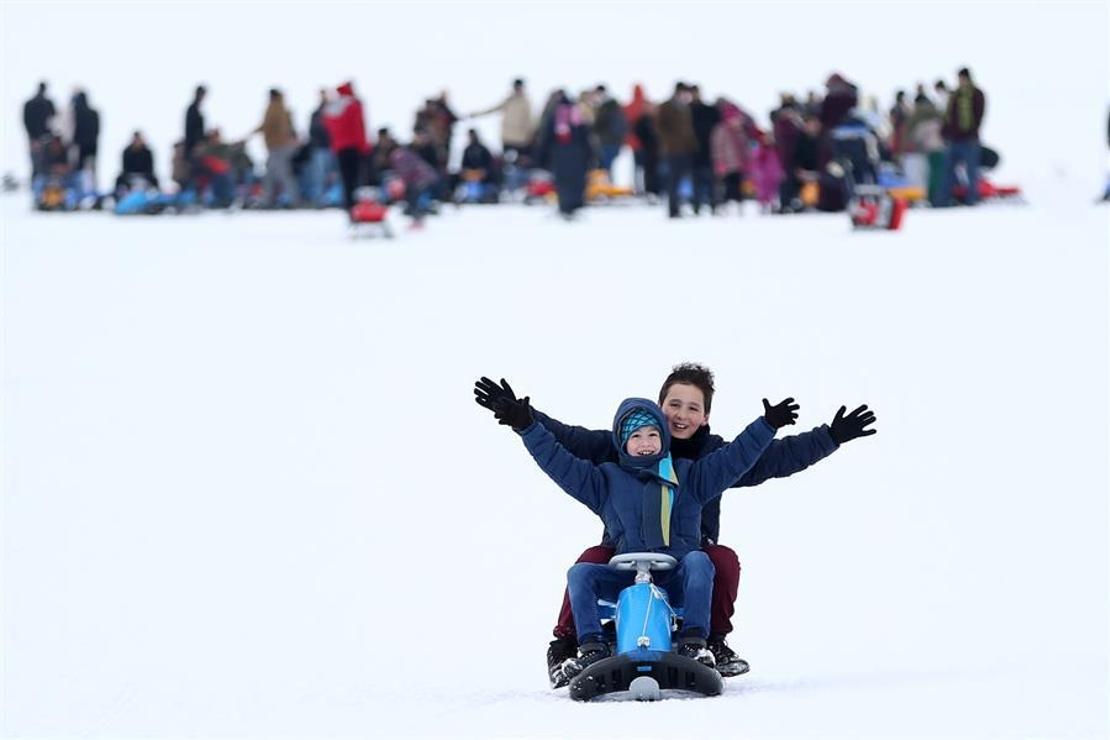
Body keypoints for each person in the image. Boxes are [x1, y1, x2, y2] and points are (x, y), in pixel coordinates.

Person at [474, 363, 878, 685]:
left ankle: (706, 641)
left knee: (716, 559)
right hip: (625, 550)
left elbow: (763, 457)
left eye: (693, 408)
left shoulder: (703, 465)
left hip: (685, 554)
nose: (680, 415)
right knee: (588, 562)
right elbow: (561, 445)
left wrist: (828, 436)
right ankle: (576, 645)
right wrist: (522, 418)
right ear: (656, 406)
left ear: (705, 417)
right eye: (674, 405)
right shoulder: (614, 451)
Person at [535, 91, 592, 219]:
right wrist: (590, 155)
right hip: (577, 153)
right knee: (576, 181)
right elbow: (586, 136)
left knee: (562, 181)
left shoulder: (554, 115)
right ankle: (574, 205)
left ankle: (564, 206)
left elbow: (546, 137)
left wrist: (540, 156)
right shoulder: (577, 114)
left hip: (559, 153)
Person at [938, 67, 986, 206]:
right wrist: (945, 133)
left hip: (969, 140)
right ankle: (944, 199)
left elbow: (978, 115)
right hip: (954, 140)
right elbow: (948, 116)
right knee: (947, 171)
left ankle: (972, 198)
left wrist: (971, 132)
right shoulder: (956, 95)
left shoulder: (976, 94)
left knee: (971, 171)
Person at [323, 81, 371, 217]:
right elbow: (359, 126)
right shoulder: (353, 105)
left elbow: (330, 130)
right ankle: (358, 206)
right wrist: (364, 145)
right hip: (354, 146)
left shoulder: (331, 108)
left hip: (339, 148)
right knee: (357, 178)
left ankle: (348, 204)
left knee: (345, 179)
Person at [251, 88, 300, 207]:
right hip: (278, 146)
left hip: (278, 147)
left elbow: (268, 125)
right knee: (271, 175)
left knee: (281, 174)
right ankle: (267, 200)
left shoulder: (274, 108)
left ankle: (293, 200)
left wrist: (252, 133)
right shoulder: (282, 107)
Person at [656, 83, 698, 218]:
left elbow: (688, 129)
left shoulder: (685, 107)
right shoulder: (666, 106)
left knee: (682, 180)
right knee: (674, 180)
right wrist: (669, 140)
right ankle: (673, 209)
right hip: (672, 150)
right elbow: (659, 126)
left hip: (685, 149)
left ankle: (679, 207)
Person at [470, 78, 534, 163]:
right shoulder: (509, 100)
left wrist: (530, 135)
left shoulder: (526, 102)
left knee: (520, 164)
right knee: (507, 164)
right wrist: (477, 114)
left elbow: (530, 120)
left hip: (521, 140)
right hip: (507, 138)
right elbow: (493, 108)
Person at [688, 85, 721, 215]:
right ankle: (696, 206)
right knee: (695, 181)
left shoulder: (710, 110)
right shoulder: (687, 110)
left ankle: (713, 205)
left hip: (709, 150)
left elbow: (717, 128)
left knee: (711, 180)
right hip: (693, 151)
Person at [592, 85, 627, 177]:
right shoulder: (615, 106)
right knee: (607, 166)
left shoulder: (605, 107)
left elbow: (598, 124)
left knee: (605, 167)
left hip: (607, 141)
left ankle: (607, 187)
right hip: (614, 141)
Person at [23, 82, 56, 179]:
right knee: (45, 164)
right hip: (46, 138)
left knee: (36, 164)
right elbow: (53, 119)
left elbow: (26, 121)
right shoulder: (48, 103)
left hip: (35, 138)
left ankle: (37, 186)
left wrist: (33, 137)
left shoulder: (29, 103)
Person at [114, 130, 159, 195]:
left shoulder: (147, 152)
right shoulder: (127, 151)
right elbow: (125, 167)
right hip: (129, 174)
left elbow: (150, 167)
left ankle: (156, 196)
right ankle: (117, 195)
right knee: (119, 179)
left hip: (145, 174)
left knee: (155, 180)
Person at [184, 85, 207, 159]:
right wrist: (196, 145)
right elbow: (191, 130)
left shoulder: (197, 109)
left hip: (197, 146)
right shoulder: (192, 109)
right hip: (193, 148)